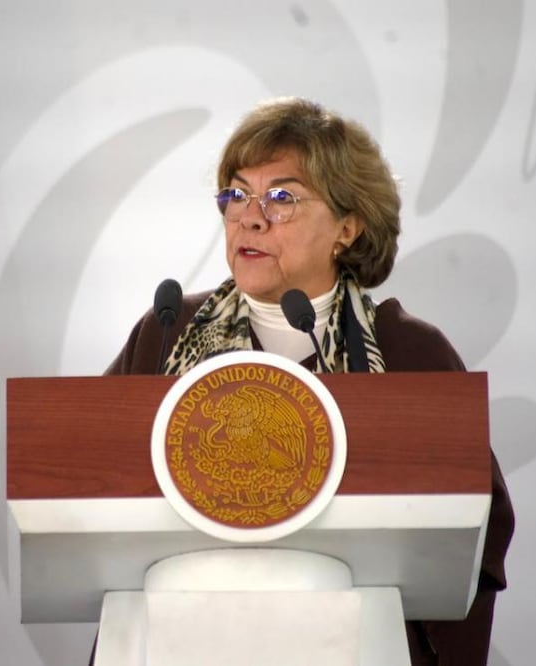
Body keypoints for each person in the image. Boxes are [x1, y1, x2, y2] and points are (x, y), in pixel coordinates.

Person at [105, 97, 514, 665]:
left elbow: (479, 526)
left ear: (347, 228)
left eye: (281, 198)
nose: (250, 216)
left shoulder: (407, 354)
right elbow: (91, 483)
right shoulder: (166, 335)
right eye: (236, 194)